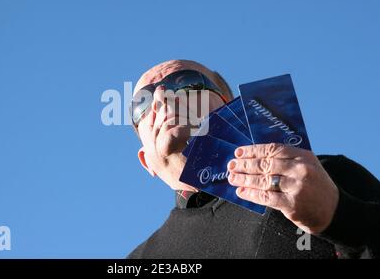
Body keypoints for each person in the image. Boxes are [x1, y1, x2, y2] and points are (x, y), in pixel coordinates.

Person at [127, 59, 380, 259]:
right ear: (146, 162)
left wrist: (339, 216)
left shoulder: (330, 177)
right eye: (143, 103)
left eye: (187, 83)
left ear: (231, 107)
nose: (162, 99)